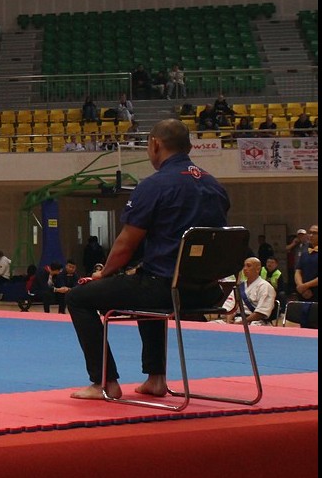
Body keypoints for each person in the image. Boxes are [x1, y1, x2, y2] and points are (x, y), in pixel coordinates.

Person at [65, 118, 230, 401]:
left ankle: (104, 382)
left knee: (78, 297)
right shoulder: (214, 186)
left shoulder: (155, 185)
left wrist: (104, 273)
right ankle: (156, 379)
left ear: (155, 144)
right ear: (189, 147)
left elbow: (125, 244)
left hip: (166, 289)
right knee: (147, 280)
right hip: (209, 291)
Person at [214, 257, 277, 326]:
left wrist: (241, 323)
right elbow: (230, 307)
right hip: (236, 320)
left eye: (248, 266)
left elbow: (261, 313)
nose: (245, 268)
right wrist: (229, 321)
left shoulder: (266, 287)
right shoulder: (239, 286)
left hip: (255, 322)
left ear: (258, 269)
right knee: (211, 325)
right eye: (244, 266)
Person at [293, 225, 318, 302]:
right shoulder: (305, 252)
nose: (311, 235)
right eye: (310, 233)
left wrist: (305, 286)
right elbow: (298, 271)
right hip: (303, 293)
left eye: (315, 233)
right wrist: (300, 286)